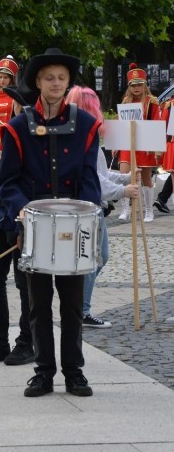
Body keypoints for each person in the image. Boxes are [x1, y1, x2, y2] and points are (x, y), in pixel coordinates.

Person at [0, 48, 101, 397]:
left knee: (71, 305)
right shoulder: (18, 126)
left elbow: (89, 179)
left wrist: (85, 211)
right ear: (38, 82)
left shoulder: (85, 124)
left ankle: (74, 373)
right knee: (37, 305)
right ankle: (43, 372)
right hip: (34, 228)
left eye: (62, 78)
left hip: (72, 228)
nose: (56, 83)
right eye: (49, 77)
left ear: (69, 83)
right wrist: (22, 210)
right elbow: (7, 183)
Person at [66, 85, 139, 328]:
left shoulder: (86, 136)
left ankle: (79, 305)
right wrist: (123, 190)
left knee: (98, 258)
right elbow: (96, 180)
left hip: (91, 205)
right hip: (88, 206)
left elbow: (101, 173)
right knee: (92, 259)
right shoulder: (84, 137)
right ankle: (81, 309)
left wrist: (125, 178)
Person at [116, 63, 161, 223]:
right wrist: (116, 142)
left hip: (145, 143)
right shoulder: (126, 101)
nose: (136, 88)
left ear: (144, 85)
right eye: (133, 85)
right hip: (128, 142)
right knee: (124, 175)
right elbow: (120, 123)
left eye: (139, 85)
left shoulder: (152, 102)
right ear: (129, 86)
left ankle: (149, 211)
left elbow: (156, 122)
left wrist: (155, 146)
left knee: (146, 178)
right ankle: (125, 209)